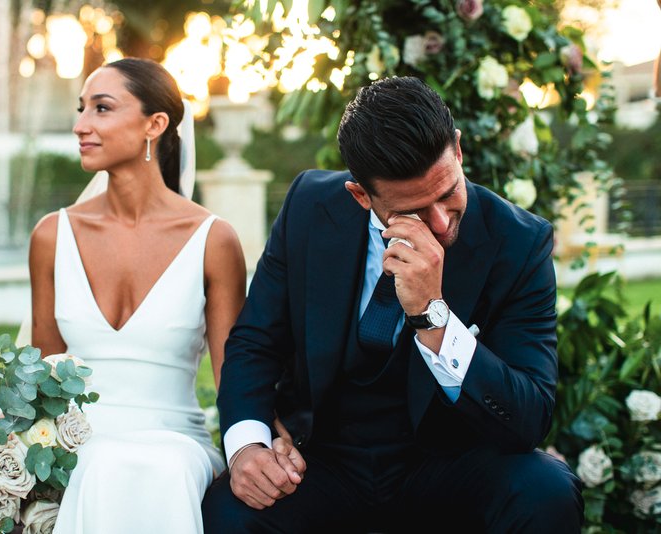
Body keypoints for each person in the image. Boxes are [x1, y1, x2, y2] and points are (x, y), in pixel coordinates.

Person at [202, 76, 583, 532]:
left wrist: (433, 316)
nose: (441, 223)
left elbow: (529, 416)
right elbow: (254, 342)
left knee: (547, 490)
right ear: (361, 195)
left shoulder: (519, 242)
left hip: (450, 463)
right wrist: (247, 448)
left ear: (458, 152)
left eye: (448, 193)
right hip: (322, 461)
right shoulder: (309, 207)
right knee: (229, 510)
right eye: (416, 210)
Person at [28, 58, 246, 533]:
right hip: (79, 444)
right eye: (81, 109)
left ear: (155, 124)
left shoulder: (213, 240)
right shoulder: (52, 236)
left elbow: (237, 376)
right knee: (100, 461)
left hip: (175, 443)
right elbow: (40, 375)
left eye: (101, 109)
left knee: (150, 467)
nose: (80, 125)